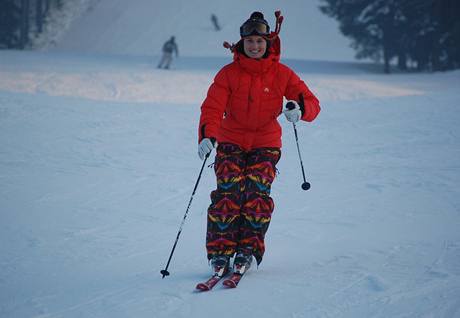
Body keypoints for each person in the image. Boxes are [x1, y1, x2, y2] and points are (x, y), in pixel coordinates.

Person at [197, 11, 320, 278]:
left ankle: (248, 250)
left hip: (266, 142)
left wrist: (299, 110)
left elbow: (311, 102)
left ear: (269, 42)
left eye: (260, 41)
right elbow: (212, 108)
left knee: (256, 195)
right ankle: (220, 252)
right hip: (231, 139)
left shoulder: (282, 74)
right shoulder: (228, 74)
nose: (255, 46)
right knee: (228, 194)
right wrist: (207, 135)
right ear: (242, 43)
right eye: (250, 41)